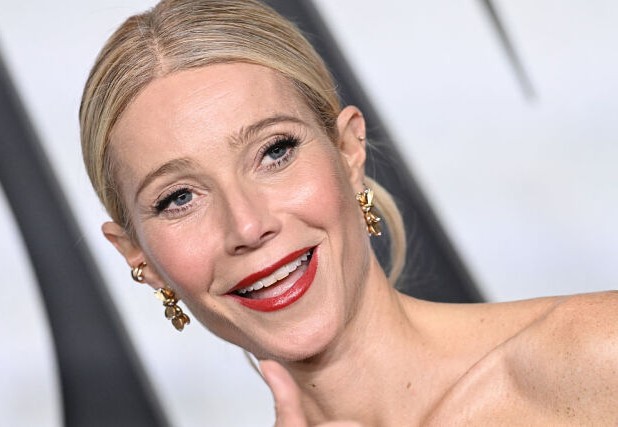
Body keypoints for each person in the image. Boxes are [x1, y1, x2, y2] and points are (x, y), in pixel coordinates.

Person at [79, 0, 618, 425]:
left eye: (275, 152)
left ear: (348, 151)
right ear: (137, 257)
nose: (247, 225)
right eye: (179, 198)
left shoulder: (597, 356)